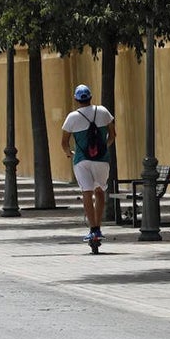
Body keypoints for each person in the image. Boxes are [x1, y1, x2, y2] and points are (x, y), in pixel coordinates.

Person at [61, 84, 116, 242]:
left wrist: (69, 153)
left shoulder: (72, 117)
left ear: (76, 100)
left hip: (81, 160)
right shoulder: (103, 111)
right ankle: (98, 228)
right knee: (99, 191)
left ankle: (92, 229)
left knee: (87, 192)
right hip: (102, 160)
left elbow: (64, 142)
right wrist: (103, 148)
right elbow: (113, 135)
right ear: (91, 97)